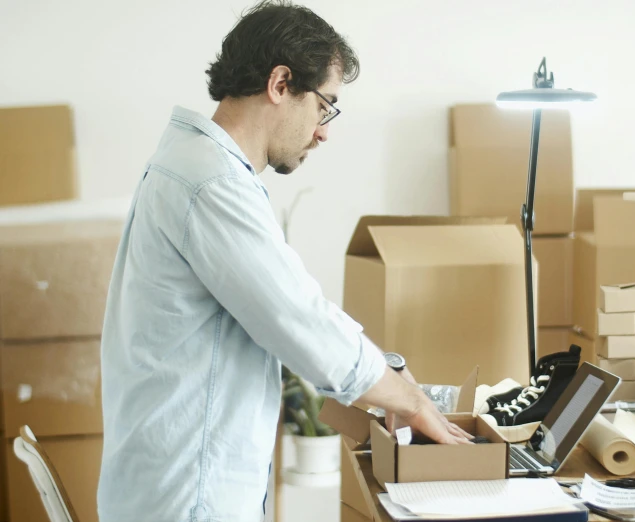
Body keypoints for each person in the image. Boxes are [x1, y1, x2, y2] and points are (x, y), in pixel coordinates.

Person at [97, 2, 471, 521]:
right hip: (188, 497)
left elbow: (294, 304)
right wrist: (410, 400)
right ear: (280, 83)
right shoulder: (210, 183)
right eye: (325, 106)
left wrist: (386, 375)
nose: (324, 131)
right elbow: (300, 322)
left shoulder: (197, 168)